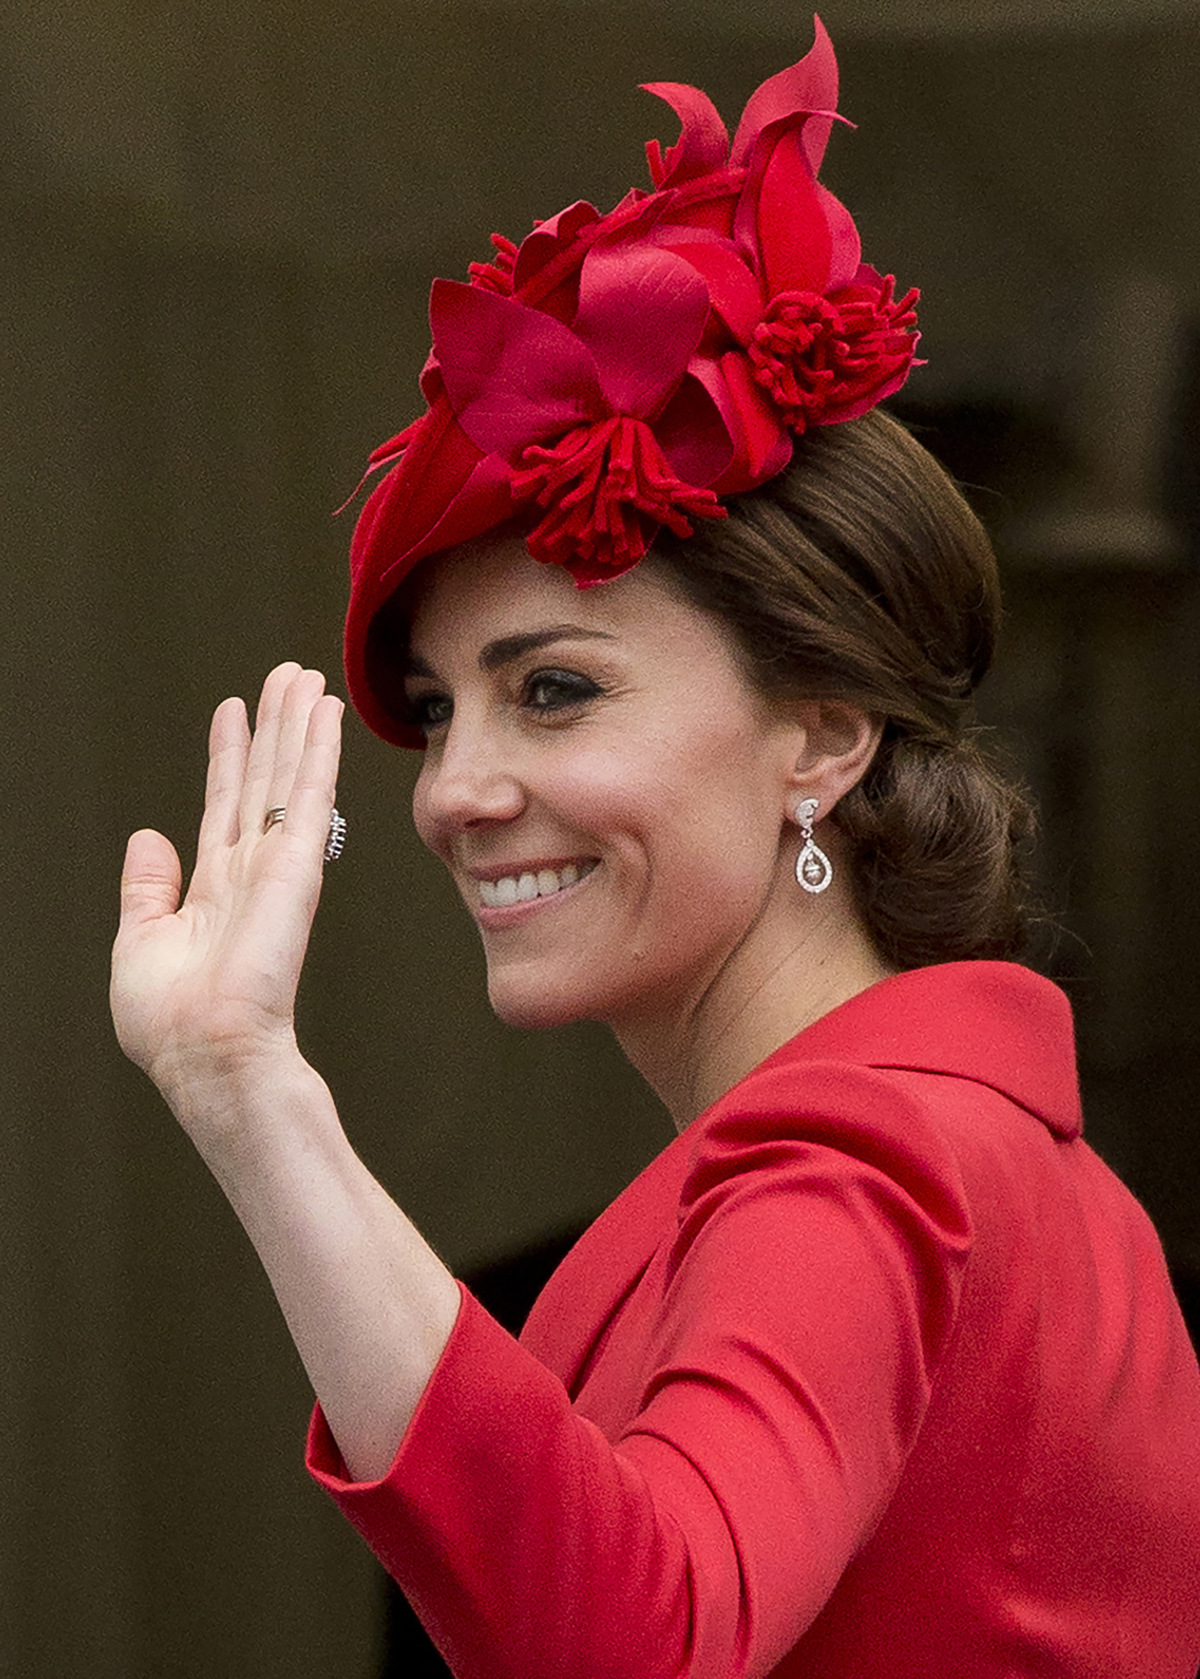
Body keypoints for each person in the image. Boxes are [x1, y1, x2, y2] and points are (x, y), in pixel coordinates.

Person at [110, 20, 1200, 1678]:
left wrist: (253, 1094)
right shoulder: (959, 1144)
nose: (453, 790)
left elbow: (635, 1642)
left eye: (553, 691)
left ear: (822, 733)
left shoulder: (860, 1162)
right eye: (436, 710)